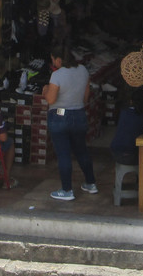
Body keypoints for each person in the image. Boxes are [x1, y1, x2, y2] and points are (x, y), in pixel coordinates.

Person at [43, 43, 97, 200]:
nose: (53, 63)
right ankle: (90, 183)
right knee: (82, 151)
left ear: (58, 59)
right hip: (79, 115)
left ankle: (67, 190)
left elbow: (51, 100)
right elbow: (86, 97)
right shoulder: (83, 70)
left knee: (64, 154)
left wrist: (46, 90)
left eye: (53, 59)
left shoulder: (57, 75)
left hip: (60, 115)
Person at [110, 87, 143, 166]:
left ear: (131, 101)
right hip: (132, 154)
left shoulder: (124, 112)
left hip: (115, 152)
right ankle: (141, 178)